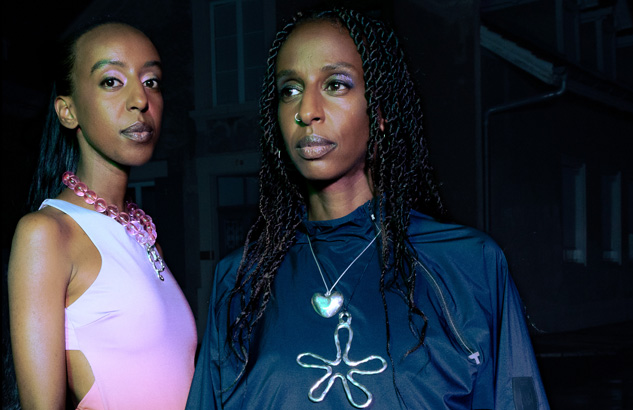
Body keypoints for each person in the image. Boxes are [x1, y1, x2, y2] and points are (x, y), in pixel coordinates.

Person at [186, 8, 548, 409]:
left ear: (380, 110)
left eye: (336, 84)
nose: (306, 111)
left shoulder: (469, 265)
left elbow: (519, 399)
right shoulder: (241, 281)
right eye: (290, 90)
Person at [7, 22, 197, 409]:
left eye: (151, 81)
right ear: (68, 111)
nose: (140, 100)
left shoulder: (142, 234)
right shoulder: (47, 233)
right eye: (112, 81)